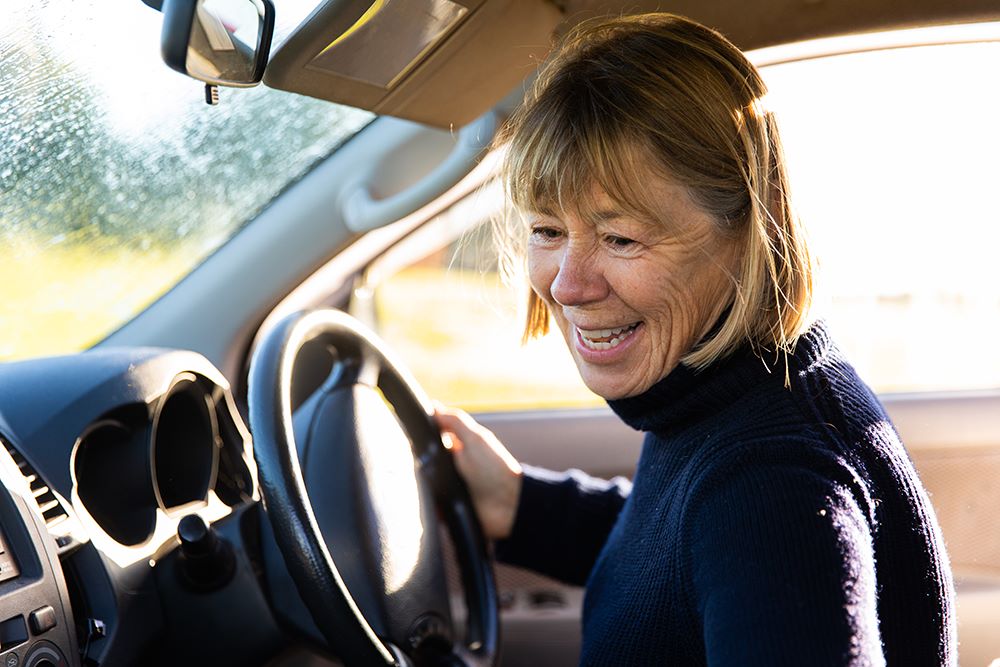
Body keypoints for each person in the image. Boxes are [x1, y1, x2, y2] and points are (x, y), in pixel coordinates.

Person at [433, 12, 956, 667]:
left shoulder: (776, 484)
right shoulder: (734, 396)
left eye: (621, 238)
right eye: (546, 230)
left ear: (747, 229)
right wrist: (520, 505)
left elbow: (755, 533)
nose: (567, 284)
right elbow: (681, 560)